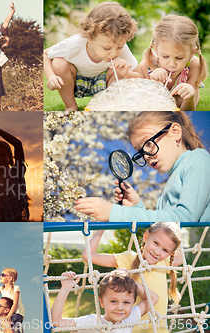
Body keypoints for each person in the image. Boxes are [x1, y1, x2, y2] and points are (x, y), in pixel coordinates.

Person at [74, 111, 210, 221]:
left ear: (175, 132)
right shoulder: (173, 177)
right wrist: (136, 208)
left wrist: (116, 213)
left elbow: (186, 219)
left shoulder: (198, 159)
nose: (146, 156)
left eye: (148, 143)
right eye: (140, 152)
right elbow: (167, 227)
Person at [82, 222, 183, 333]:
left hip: (158, 329)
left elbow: (180, 258)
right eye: (155, 243)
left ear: (170, 254)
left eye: (165, 250)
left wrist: (174, 223)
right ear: (146, 236)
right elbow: (88, 256)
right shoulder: (130, 258)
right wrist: (102, 227)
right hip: (132, 328)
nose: (157, 252)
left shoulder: (164, 262)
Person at [44, 2, 143, 111]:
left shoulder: (121, 48)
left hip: (103, 83)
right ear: (90, 38)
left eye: (119, 47)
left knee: (118, 71)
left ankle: (103, 104)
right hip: (75, 82)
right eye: (106, 48)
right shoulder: (74, 44)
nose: (114, 53)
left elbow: (141, 77)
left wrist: (126, 73)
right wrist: (51, 76)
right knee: (59, 62)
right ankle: (71, 106)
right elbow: (45, 54)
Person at [137, 15, 208, 111]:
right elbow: (143, 105)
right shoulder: (147, 65)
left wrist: (190, 95)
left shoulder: (194, 65)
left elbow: (188, 111)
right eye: (165, 56)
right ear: (156, 48)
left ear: (192, 53)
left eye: (179, 58)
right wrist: (153, 84)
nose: (171, 64)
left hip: (180, 100)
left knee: (178, 99)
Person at [51, 270, 159, 332]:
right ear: (101, 302)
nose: (120, 307)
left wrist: (130, 281)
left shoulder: (129, 319)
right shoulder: (92, 322)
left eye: (126, 302)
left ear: (133, 302)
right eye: (113, 301)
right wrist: (65, 288)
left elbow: (153, 298)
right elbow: (56, 322)